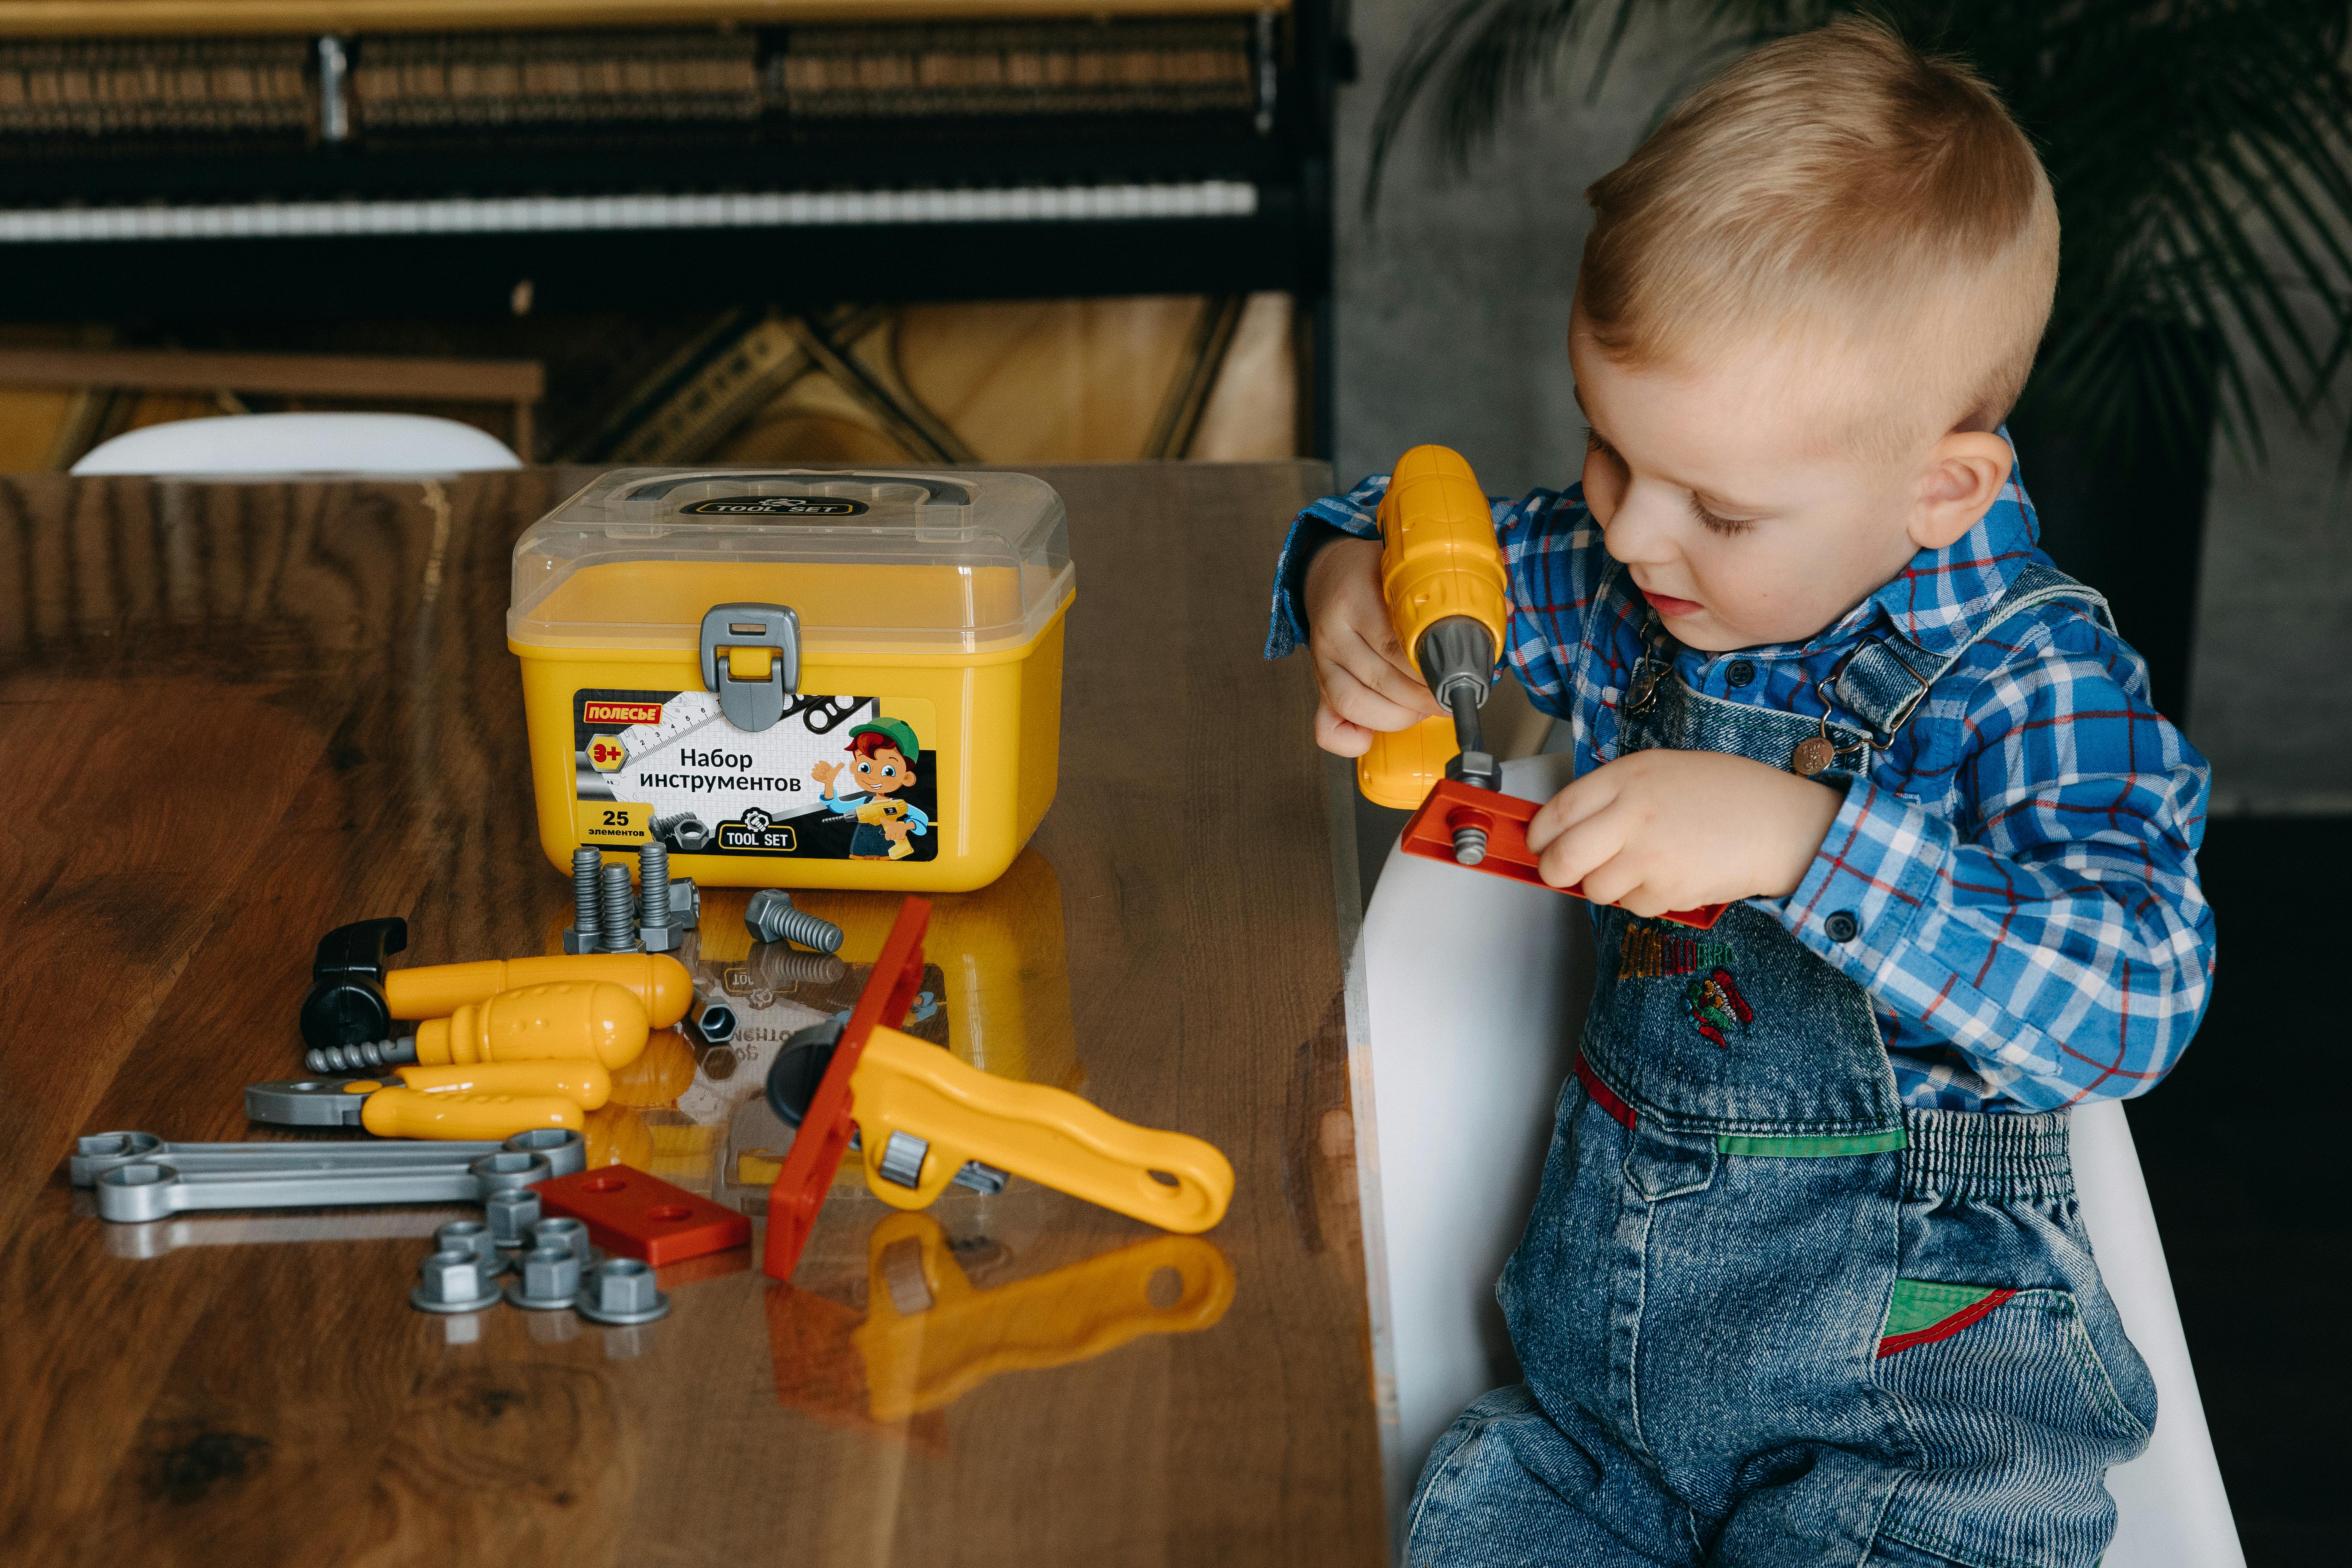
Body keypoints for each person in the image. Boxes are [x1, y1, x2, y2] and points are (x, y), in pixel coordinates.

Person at [1269, 21, 2214, 1567]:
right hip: (1599, 1417)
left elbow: (2138, 994)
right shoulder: (1659, 576)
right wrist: (1348, 581)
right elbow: (1437, 543)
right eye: (1605, 447)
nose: (1635, 534)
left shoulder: (2030, 682)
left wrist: (1809, 842)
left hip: (1918, 1429)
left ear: (1942, 488)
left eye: (1716, 505)